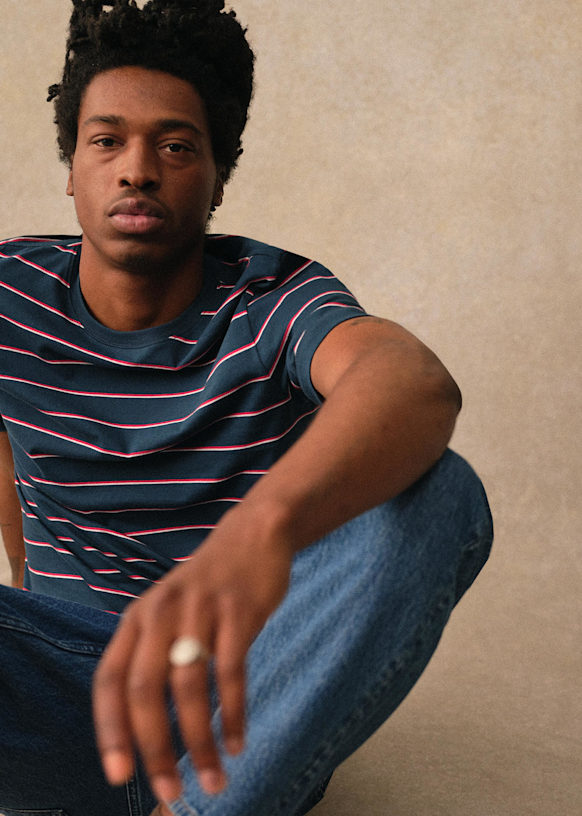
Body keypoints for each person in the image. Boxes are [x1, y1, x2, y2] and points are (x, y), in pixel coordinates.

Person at [0, 2, 493, 815]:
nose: (137, 170)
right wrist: (24, 594)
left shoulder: (272, 297)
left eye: (175, 146)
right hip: (72, 693)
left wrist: (256, 535)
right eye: (107, 140)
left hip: (247, 708)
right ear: (72, 168)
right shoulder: (11, 293)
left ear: (219, 175)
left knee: (441, 493)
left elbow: (411, 380)